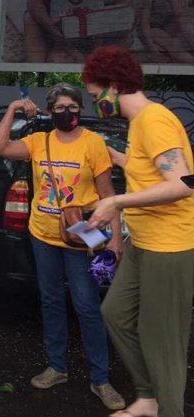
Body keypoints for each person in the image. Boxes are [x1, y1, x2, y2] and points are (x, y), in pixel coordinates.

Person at [0, 83, 125, 410]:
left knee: (87, 306)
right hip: (43, 236)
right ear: (51, 112)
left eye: (73, 107)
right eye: (60, 108)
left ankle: (100, 379)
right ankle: (57, 368)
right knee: (51, 302)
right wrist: (12, 110)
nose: (67, 113)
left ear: (80, 109)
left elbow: (108, 195)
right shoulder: (40, 141)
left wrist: (115, 240)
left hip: (81, 236)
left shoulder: (93, 143)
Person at [82, 46, 194, 417]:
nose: (96, 102)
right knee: (115, 313)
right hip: (144, 243)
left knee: (162, 338)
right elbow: (148, 168)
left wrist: (115, 202)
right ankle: (148, 398)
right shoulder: (140, 123)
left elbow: (182, 184)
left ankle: (169, 409)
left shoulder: (154, 120)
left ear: (114, 87)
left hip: (169, 245)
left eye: (96, 95)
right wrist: (114, 156)